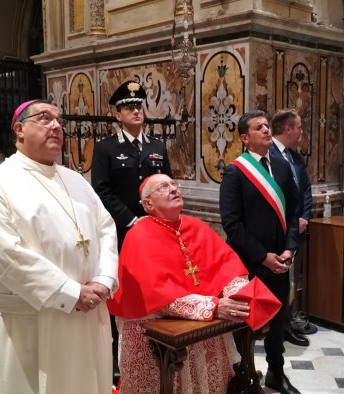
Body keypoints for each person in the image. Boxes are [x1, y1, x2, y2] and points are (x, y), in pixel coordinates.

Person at [0, 99, 118, 394]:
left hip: (87, 314)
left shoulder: (77, 180)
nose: (56, 125)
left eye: (60, 120)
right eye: (45, 118)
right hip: (29, 323)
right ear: (19, 129)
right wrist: (71, 293)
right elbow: (5, 255)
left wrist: (104, 280)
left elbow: (106, 228)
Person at [108, 173, 252, 393]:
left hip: (202, 327)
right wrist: (213, 306)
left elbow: (227, 264)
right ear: (148, 204)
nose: (173, 189)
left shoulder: (196, 225)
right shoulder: (138, 235)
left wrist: (236, 296)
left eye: (174, 184)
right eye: (164, 187)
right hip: (156, 330)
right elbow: (156, 293)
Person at [91, 79, 172, 383]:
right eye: (128, 107)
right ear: (117, 115)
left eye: (138, 106)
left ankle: (155, 344)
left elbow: (167, 184)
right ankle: (115, 356)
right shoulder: (106, 149)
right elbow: (101, 190)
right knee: (122, 291)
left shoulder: (157, 147)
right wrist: (130, 220)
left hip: (155, 232)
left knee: (155, 289)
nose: (136, 111)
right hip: (123, 233)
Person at [220, 110, 302, 394]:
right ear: (245, 138)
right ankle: (244, 376)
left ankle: (276, 374)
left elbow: (293, 211)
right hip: (250, 263)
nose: (267, 130)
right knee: (247, 325)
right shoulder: (235, 172)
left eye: (268, 126)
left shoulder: (281, 164)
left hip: (280, 259)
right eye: (259, 127)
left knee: (279, 321)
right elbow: (232, 225)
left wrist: (289, 249)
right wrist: (262, 256)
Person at [269, 109, 315, 347]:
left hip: (298, 228)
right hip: (278, 230)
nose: (301, 131)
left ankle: (287, 324)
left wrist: (304, 217)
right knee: (278, 280)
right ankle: (275, 326)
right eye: (298, 127)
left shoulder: (296, 157)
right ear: (288, 129)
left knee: (292, 281)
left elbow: (305, 189)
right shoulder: (267, 156)